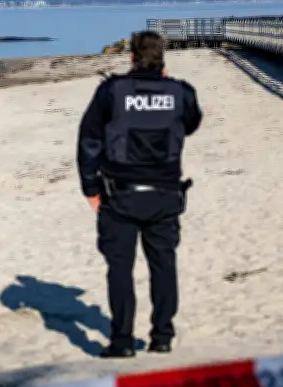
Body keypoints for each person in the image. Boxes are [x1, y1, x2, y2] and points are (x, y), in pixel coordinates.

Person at [77, 30, 203, 359]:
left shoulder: (111, 91)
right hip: (164, 195)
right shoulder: (181, 92)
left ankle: (122, 341)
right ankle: (162, 336)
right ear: (162, 58)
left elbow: (89, 139)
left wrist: (90, 187)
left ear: (132, 57)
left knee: (120, 269)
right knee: (163, 265)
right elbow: (191, 124)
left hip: (120, 197)